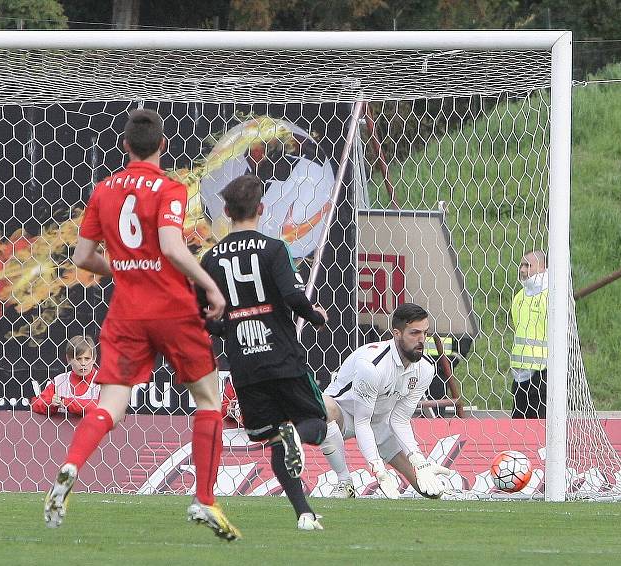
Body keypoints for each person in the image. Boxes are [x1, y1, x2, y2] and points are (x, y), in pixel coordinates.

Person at [43, 109, 241, 541]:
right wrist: (210, 286)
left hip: (126, 311)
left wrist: (124, 268)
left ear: (125, 147)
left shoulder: (104, 190)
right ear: (163, 146)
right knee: (208, 399)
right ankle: (204, 499)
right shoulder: (170, 188)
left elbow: (81, 258)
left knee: (111, 404)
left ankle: (72, 464)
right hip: (171, 309)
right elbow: (171, 246)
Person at [197, 174, 329, 531]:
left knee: (274, 442)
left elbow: (203, 314)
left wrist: (226, 329)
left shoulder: (209, 260)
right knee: (316, 424)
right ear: (261, 208)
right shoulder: (274, 249)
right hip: (283, 357)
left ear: (225, 211)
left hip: (246, 364)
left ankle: (304, 513)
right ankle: (297, 440)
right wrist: (315, 316)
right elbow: (292, 296)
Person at [319, 303, 452, 499]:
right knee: (322, 406)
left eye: (425, 333)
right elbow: (361, 422)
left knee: (431, 491)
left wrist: (419, 460)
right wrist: (377, 468)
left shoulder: (425, 369)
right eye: (414, 333)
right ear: (396, 333)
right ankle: (344, 482)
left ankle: (440, 487)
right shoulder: (372, 365)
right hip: (345, 416)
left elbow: (399, 420)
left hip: (380, 422)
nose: (422, 340)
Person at [509, 250, 548, 419]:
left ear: (542, 267)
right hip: (521, 373)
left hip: (544, 372)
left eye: (528, 265)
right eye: (521, 265)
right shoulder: (519, 297)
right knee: (519, 424)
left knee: (541, 425)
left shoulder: (552, 295)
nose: (523, 270)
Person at [30, 335, 100, 416]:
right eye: (78, 359)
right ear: (68, 359)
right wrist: (51, 404)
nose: (83, 363)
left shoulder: (104, 381)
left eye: (87, 358)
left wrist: (66, 402)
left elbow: (104, 407)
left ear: (94, 358)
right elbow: (36, 404)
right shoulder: (59, 381)